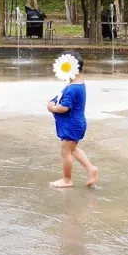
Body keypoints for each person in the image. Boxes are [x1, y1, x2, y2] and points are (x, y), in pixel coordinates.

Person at [47, 51, 99, 188]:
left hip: (72, 124)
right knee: (72, 149)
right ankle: (91, 169)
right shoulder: (79, 84)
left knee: (65, 151)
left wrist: (52, 108)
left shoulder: (72, 89)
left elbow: (65, 108)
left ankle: (67, 179)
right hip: (77, 123)